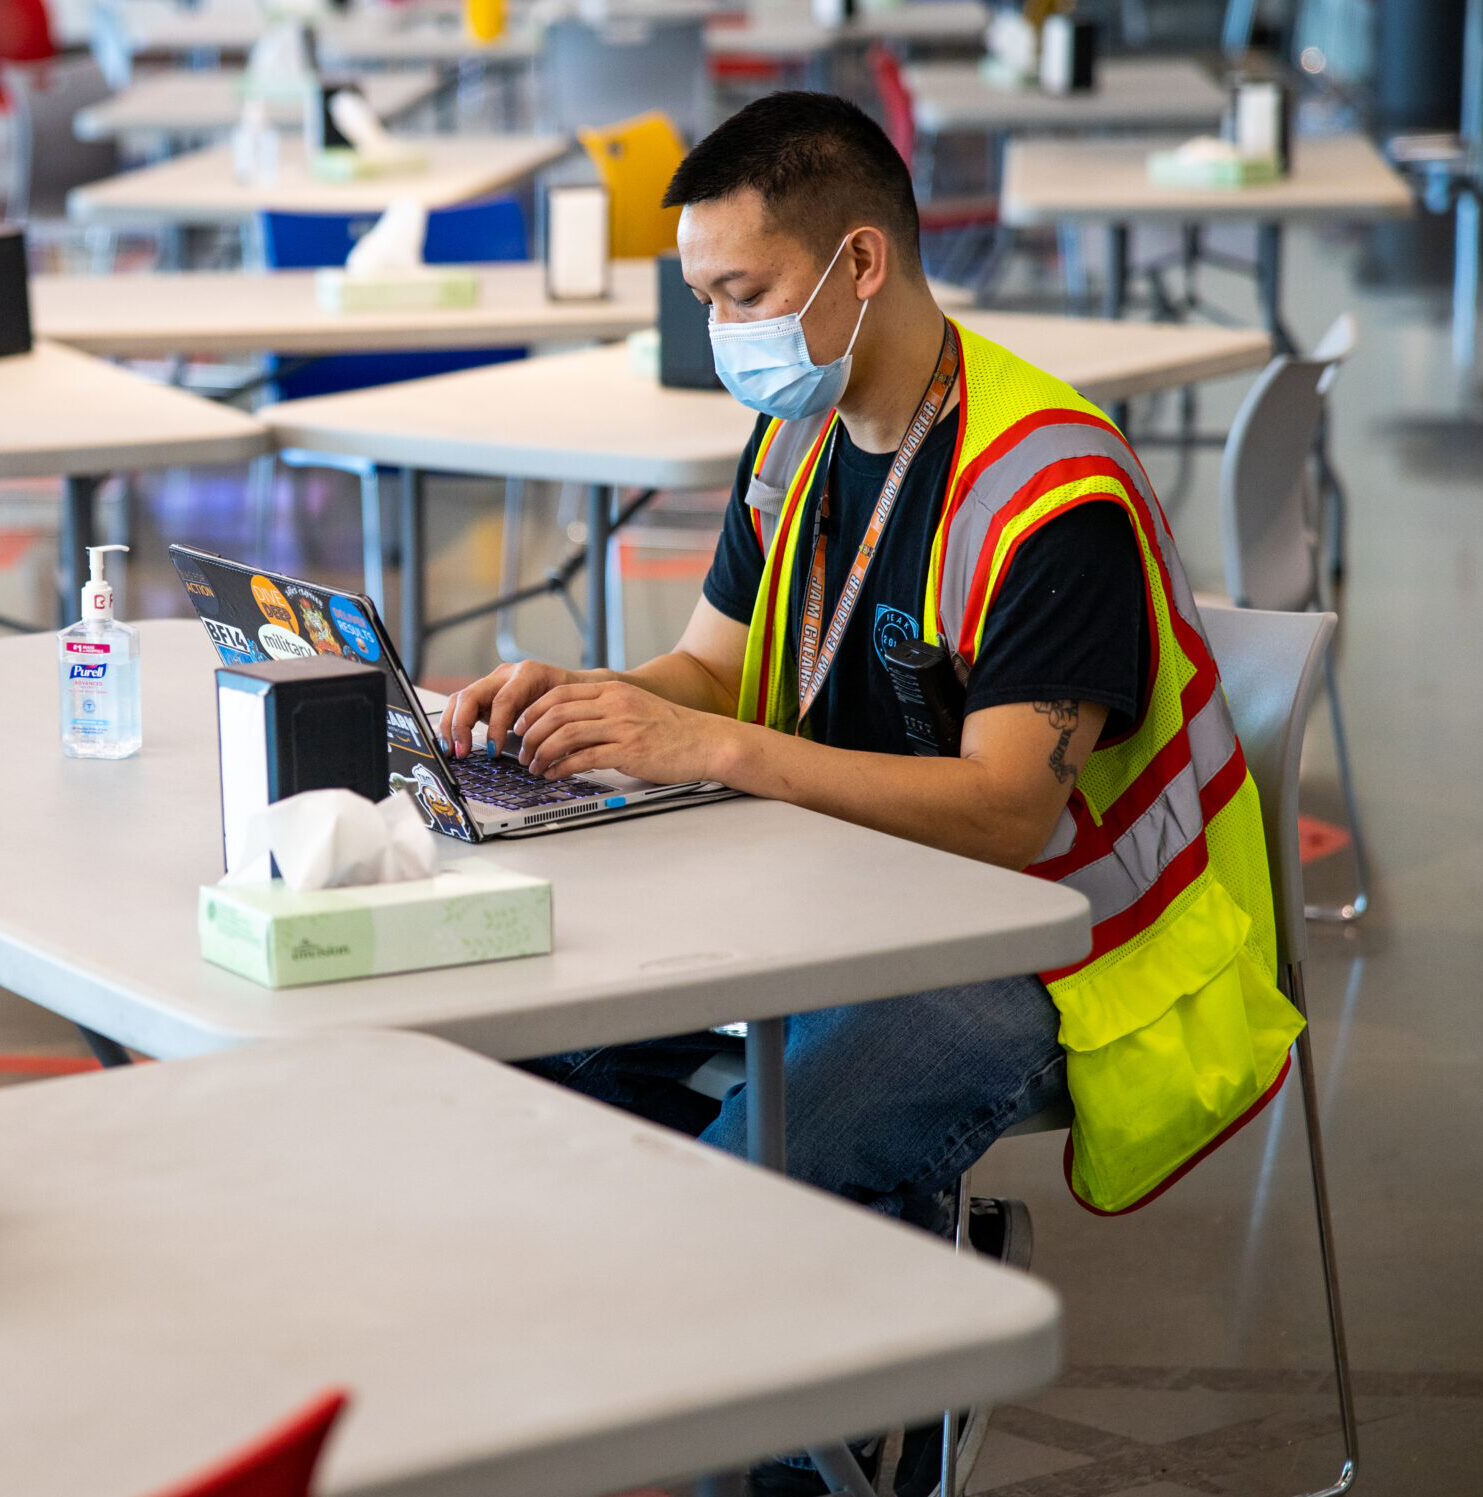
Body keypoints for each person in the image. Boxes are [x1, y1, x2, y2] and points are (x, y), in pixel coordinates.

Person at [441, 93, 1300, 1248]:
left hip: (1042, 944)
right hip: (844, 890)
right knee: (524, 1056)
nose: (719, 333)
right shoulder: (800, 433)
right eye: (703, 302)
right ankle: (757, 1307)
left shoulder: (1048, 497)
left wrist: (720, 749)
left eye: (740, 296)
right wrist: (590, 701)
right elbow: (709, 669)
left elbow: (1004, 816)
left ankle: (821, 1362)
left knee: (740, 1197)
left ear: (859, 261)